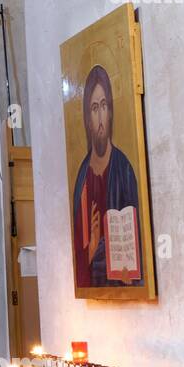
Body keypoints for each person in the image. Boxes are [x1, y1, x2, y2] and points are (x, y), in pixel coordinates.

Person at [71, 65, 141, 287]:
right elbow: (79, 266)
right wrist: (90, 250)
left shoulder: (125, 169)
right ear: (87, 119)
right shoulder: (82, 179)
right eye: (93, 108)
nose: (100, 118)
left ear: (110, 111)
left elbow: (140, 247)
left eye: (103, 106)